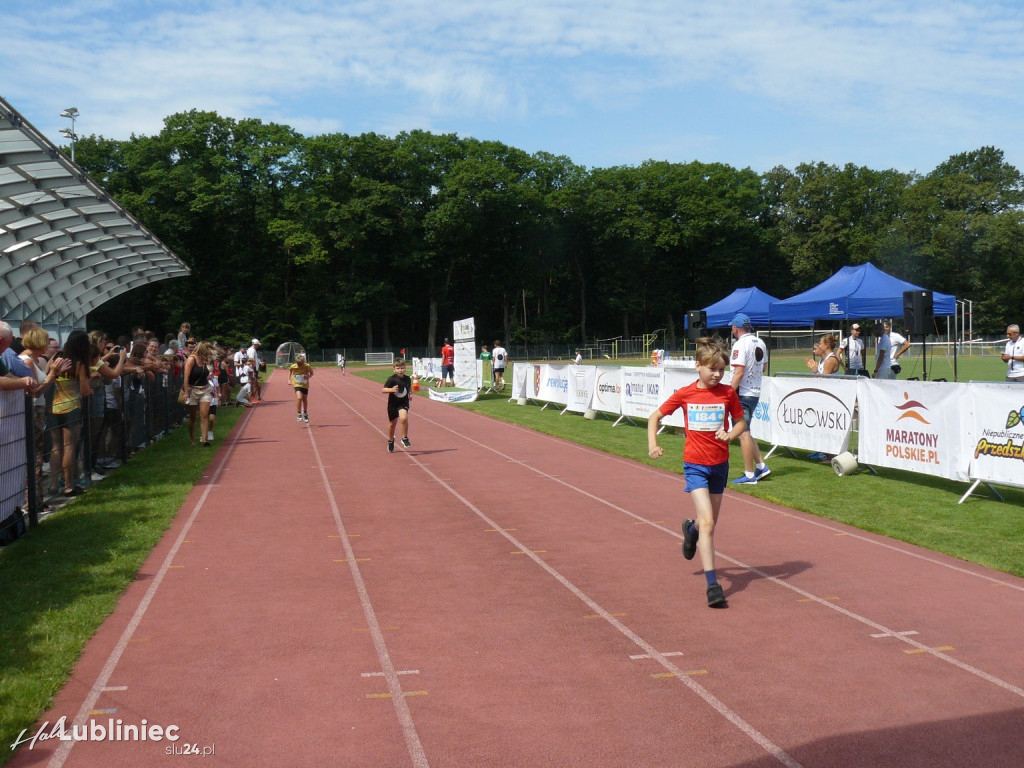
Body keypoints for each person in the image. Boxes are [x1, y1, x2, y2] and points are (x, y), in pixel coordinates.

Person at [648, 338, 746, 608]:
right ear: (698, 366)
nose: (717, 374)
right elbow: (654, 417)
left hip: (720, 465)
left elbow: (741, 422)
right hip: (695, 466)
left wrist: (729, 434)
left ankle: (690, 530)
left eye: (721, 370)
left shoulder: (728, 394)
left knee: (707, 522)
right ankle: (713, 585)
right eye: (712, 369)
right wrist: (653, 444)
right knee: (710, 525)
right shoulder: (685, 394)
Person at [50, 330, 94, 496]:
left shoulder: (57, 358)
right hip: (72, 408)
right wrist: (89, 390)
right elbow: (84, 391)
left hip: (55, 407)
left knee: (55, 448)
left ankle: (54, 484)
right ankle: (69, 485)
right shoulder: (80, 363)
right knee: (70, 447)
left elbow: (49, 376)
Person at [728, 313, 770, 485]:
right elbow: (765, 367)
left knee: (742, 433)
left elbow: (738, 372)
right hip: (755, 391)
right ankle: (761, 465)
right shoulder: (760, 342)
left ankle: (749, 474)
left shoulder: (740, 344)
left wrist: (728, 393)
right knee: (747, 430)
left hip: (742, 393)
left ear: (735, 328)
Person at [184, 341, 214, 446]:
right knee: (193, 417)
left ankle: (205, 439)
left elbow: (205, 374)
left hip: (205, 389)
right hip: (193, 390)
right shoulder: (191, 359)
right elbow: (186, 377)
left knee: (204, 414)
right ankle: (192, 438)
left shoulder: (205, 360)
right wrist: (186, 392)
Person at [383, 358, 412, 452]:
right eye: (398, 368)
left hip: (403, 402)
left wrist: (410, 393)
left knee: (404, 418)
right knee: (392, 424)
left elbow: (409, 387)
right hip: (393, 404)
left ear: (405, 368)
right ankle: (391, 441)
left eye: (402, 368)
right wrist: (391, 390)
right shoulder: (392, 379)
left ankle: (404, 438)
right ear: (394, 369)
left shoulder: (407, 379)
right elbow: (383, 390)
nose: (400, 370)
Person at [289, 353, 314, 423]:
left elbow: (312, 373)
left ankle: (305, 412)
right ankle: (299, 413)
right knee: (299, 398)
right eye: (298, 365)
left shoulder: (307, 366)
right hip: (297, 384)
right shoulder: (293, 366)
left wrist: (308, 376)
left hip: (305, 385)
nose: (300, 366)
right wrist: (288, 379)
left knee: (304, 399)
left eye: (301, 365)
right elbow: (290, 371)